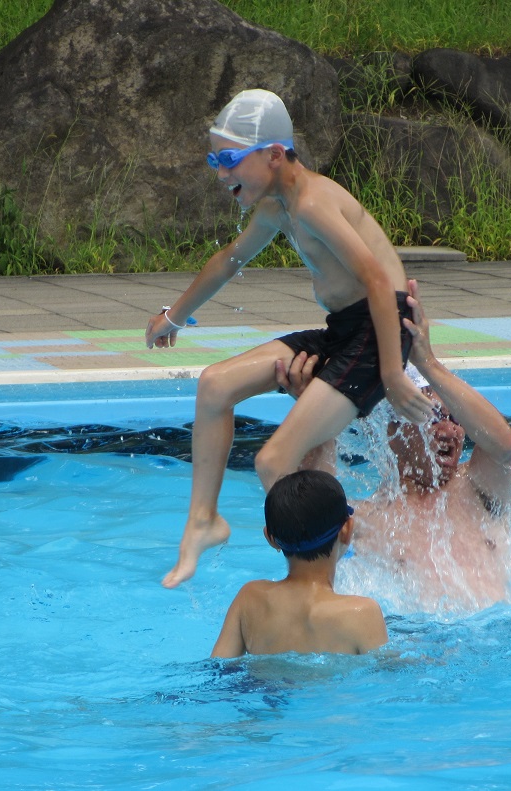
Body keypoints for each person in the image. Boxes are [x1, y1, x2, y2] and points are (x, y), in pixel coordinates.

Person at [145, 88, 433, 588]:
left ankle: (340, 565)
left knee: (273, 461)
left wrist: (391, 373)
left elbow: (376, 280)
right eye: (215, 161)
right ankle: (203, 521)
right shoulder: (278, 207)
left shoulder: (314, 203)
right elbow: (229, 260)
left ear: (275, 155)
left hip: (379, 330)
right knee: (214, 385)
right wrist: (174, 316)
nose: (221, 174)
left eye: (229, 160)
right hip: (346, 330)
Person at [279, 288, 511, 610]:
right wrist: (315, 411)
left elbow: (504, 444)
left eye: (455, 418)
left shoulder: (478, 487)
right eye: (433, 419)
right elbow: (313, 517)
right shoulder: (366, 520)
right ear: (392, 432)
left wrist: (428, 363)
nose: (450, 431)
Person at [210, 470, 388, 658]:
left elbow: (218, 666)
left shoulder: (249, 599)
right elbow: (386, 670)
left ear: (270, 538)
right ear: (347, 529)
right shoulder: (362, 614)